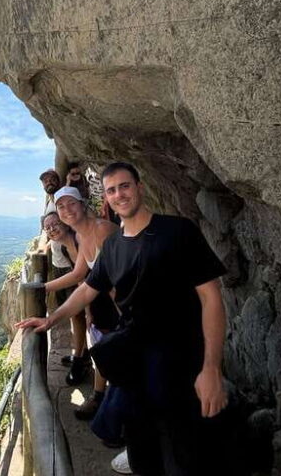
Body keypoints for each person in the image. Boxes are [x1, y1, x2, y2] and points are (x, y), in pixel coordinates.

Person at [17, 162, 229, 476]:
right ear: (107, 196)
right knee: (143, 445)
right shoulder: (115, 245)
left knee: (184, 448)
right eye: (112, 189)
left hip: (181, 357)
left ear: (140, 187)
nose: (119, 194)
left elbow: (211, 299)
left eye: (125, 186)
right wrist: (51, 319)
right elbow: (88, 288)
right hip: (135, 361)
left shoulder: (178, 231)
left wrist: (211, 367)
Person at [44, 186, 119, 418]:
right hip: (105, 310)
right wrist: (42, 288)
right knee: (106, 357)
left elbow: (120, 279)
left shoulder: (102, 230)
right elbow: (79, 276)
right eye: (61, 206)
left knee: (119, 364)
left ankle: (112, 413)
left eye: (71, 204)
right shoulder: (82, 236)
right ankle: (102, 402)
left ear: (83, 204)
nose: (67, 210)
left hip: (122, 310)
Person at [41, 211, 88, 383]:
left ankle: (82, 361)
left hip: (102, 291)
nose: (52, 229)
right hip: (89, 288)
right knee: (76, 317)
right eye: (47, 228)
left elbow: (79, 275)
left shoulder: (78, 240)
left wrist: (42, 288)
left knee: (84, 320)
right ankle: (81, 354)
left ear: (66, 223)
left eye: (55, 224)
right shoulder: (63, 246)